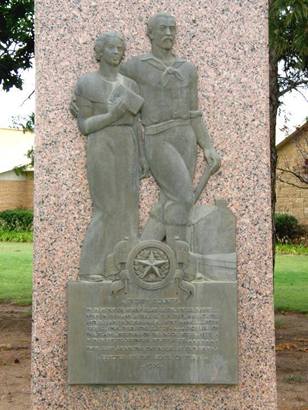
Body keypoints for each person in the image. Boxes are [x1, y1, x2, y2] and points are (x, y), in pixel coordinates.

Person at [120, 13, 221, 246]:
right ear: (150, 33)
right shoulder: (137, 66)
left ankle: (143, 252)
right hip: (158, 137)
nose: (168, 33)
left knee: (170, 198)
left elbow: (195, 113)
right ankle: (178, 255)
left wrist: (207, 146)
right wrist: (84, 101)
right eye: (163, 29)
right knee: (184, 195)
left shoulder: (187, 69)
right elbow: (110, 79)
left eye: (172, 29)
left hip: (186, 136)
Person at [71, 32, 144, 281]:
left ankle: (122, 266)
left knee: (128, 208)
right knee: (106, 207)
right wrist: (113, 115)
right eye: (111, 47)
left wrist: (142, 157)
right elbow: (85, 125)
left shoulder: (130, 85)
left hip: (128, 145)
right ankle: (90, 267)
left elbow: (136, 125)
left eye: (120, 48)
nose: (116, 52)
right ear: (99, 52)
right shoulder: (87, 83)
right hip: (101, 145)